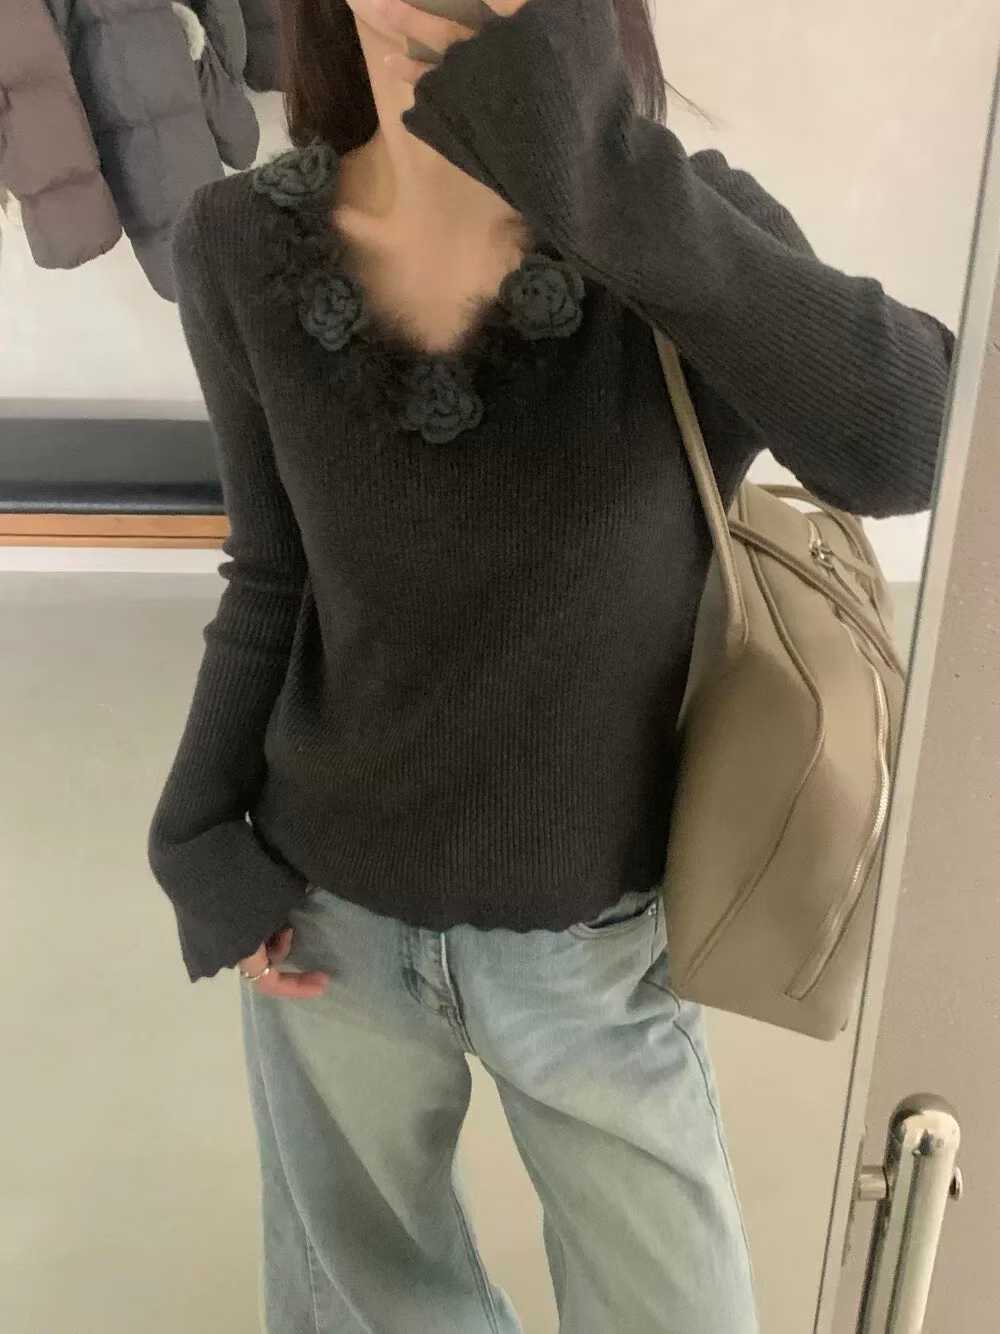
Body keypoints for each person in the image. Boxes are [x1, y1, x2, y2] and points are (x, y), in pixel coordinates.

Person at [146, 0, 955, 1328]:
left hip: (595, 946)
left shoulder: (677, 223)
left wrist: (600, 168)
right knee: (369, 1306)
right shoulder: (237, 243)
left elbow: (914, 446)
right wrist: (192, 832)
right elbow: (273, 574)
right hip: (327, 923)